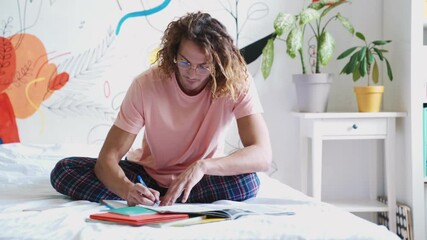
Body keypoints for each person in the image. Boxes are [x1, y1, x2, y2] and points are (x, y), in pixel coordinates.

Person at [50, 11, 272, 207]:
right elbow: (107, 159)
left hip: (200, 179)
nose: (193, 73)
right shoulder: (146, 85)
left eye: (204, 66)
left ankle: (169, 197)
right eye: (185, 62)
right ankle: (154, 197)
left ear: (219, 63)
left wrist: (203, 167)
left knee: (248, 181)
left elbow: (262, 155)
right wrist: (127, 189)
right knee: (65, 170)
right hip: (146, 177)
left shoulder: (236, 82)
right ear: (173, 54)